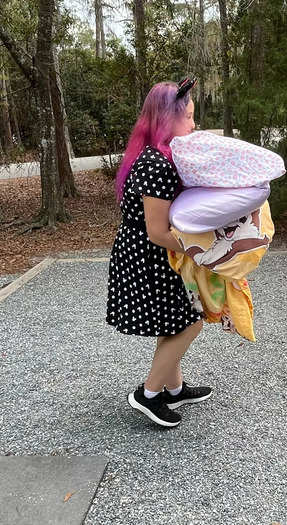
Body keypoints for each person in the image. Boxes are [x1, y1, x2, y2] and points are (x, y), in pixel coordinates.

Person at [106, 78, 212, 428]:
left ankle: (174, 387)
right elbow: (156, 231)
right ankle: (148, 394)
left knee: (175, 321)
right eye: (189, 117)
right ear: (168, 119)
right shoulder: (156, 164)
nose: (194, 124)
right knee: (192, 321)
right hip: (146, 257)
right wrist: (201, 250)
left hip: (148, 255)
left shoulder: (157, 156)